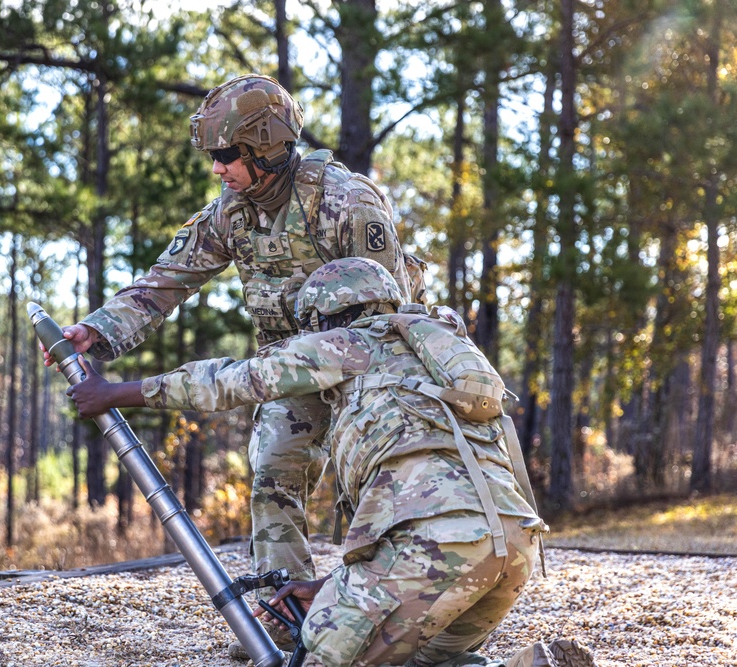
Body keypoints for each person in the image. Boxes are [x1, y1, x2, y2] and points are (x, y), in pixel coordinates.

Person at [67, 258, 597, 667]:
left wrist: (115, 393)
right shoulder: (434, 355)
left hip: (431, 546)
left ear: (326, 317)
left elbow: (232, 380)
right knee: (418, 659)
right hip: (514, 545)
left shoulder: (348, 343)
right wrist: (331, 587)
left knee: (319, 657)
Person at [46, 73, 428, 618]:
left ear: (265, 147)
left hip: (365, 373)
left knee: (369, 486)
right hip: (287, 373)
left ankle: (375, 613)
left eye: (226, 154)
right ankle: (286, 620)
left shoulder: (347, 202)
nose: (217, 168)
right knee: (273, 469)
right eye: (213, 156)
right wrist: (96, 331)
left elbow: (390, 316)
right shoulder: (231, 210)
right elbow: (165, 281)